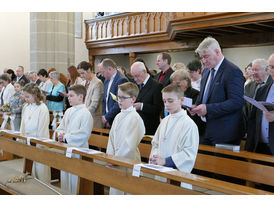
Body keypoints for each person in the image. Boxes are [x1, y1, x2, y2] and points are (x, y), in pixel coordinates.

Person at [190, 37, 244, 145]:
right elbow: (204, 97)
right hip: (205, 130)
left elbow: (236, 102)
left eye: (206, 57)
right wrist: (195, 107)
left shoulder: (232, 71)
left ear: (217, 52)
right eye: (202, 58)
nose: (204, 61)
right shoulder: (206, 72)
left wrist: (207, 109)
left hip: (225, 133)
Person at [149, 84, 199, 174]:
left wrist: (166, 161)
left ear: (182, 100)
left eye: (170, 101)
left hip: (176, 175)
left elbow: (188, 154)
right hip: (159, 169)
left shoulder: (189, 124)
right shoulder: (164, 121)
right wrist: (155, 158)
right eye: (164, 101)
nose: (166, 104)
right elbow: (155, 144)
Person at [106, 82, 145, 195]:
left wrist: (117, 159)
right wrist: (110, 156)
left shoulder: (135, 118)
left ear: (133, 99)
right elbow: (111, 139)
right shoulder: (118, 116)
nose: (119, 100)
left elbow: (130, 144)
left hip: (128, 161)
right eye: (118, 97)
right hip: (115, 160)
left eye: (123, 98)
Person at [56, 85, 93, 194]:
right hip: (67, 149)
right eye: (68, 95)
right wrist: (60, 134)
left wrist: (66, 137)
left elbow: (84, 134)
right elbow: (61, 127)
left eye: (71, 96)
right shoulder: (68, 111)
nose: (68, 98)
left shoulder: (86, 113)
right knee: (65, 178)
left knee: (75, 179)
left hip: (79, 150)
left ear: (81, 97)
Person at [20, 83, 50, 183]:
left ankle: (43, 187)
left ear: (35, 95)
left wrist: (39, 143)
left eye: (27, 96)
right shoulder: (26, 107)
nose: (25, 99)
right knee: (29, 166)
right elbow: (23, 124)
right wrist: (22, 137)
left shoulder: (42, 108)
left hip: (38, 141)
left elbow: (43, 127)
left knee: (40, 168)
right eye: (24, 96)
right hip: (28, 140)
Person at [245, 53, 274, 155]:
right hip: (260, 144)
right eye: (271, 67)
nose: (272, 71)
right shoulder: (262, 89)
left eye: (256, 70)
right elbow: (253, 117)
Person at [130, 62, 163, 135]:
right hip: (136, 127)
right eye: (133, 76)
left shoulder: (156, 86)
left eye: (137, 76)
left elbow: (158, 109)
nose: (135, 79)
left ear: (144, 71)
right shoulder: (136, 85)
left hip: (149, 129)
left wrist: (142, 106)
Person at [100, 58, 128, 128]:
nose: (102, 75)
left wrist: (107, 117)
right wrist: (105, 116)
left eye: (103, 72)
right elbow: (104, 100)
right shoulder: (106, 80)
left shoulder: (121, 80)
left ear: (109, 69)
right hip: (108, 120)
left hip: (117, 120)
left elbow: (118, 102)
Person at [77, 61, 103, 128]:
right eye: (80, 73)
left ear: (89, 70)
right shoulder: (82, 83)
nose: (81, 76)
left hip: (93, 118)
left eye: (83, 73)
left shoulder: (97, 83)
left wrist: (83, 114)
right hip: (83, 117)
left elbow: (94, 104)